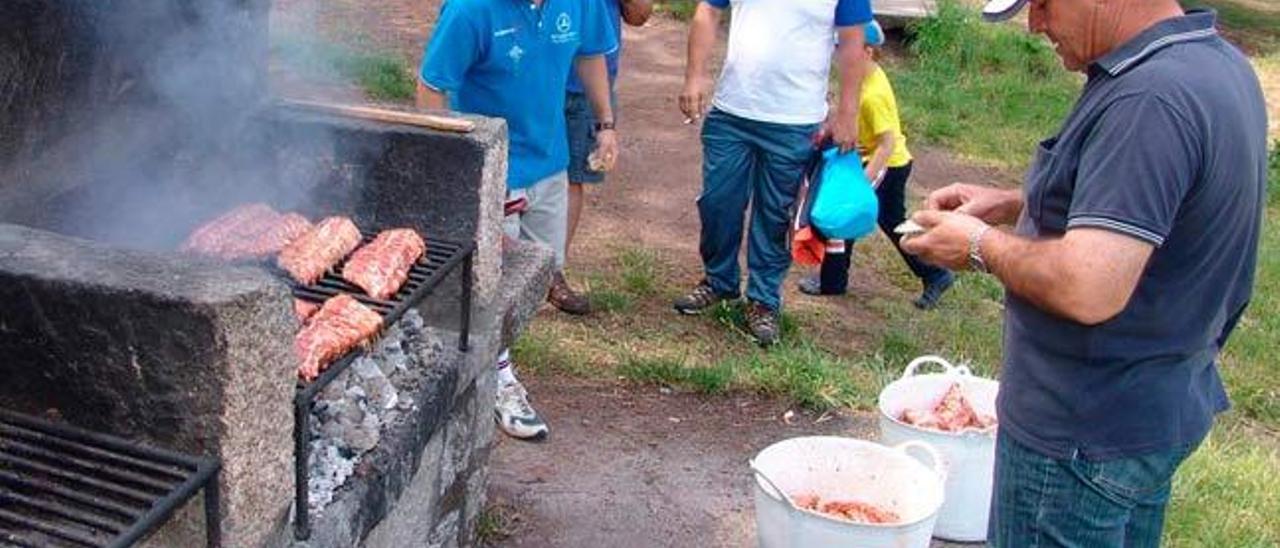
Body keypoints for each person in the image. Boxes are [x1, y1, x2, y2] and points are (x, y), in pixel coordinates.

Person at [900, 0, 1267, 544]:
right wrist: (1015, 205)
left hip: (1080, 439)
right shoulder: (1214, 65)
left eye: (1044, 3)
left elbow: (1089, 286)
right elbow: (1152, 211)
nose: (1036, 23)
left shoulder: (1148, 99)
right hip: (1154, 415)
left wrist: (979, 245)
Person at [417, 0, 620, 441]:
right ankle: (496, 381)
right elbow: (432, 87)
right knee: (490, 285)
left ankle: (493, 360)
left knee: (539, 270)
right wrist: (453, 169)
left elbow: (590, 53)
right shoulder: (470, 11)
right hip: (493, 168)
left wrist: (605, 123)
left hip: (550, 163)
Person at [675, 0, 874, 346]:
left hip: (796, 121)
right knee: (717, 202)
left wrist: (848, 111)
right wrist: (694, 76)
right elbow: (708, 11)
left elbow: (853, 41)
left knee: (776, 215)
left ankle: (764, 300)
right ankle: (719, 281)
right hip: (731, 112)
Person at [795, 20, 954, 309]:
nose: (839, 55)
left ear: (867, 51)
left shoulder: (874, 94)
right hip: (870, 160)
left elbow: (887, 142)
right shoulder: (858, 77)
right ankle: (834, 280)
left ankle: (935, 273)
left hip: (886, 165)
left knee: (855, 217)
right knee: (856, 220)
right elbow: (847, 111)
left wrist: (863, 181)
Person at [553, 0, 654, 315]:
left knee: (573, 180)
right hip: (536, 74)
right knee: (516, 174)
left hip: (590, 82)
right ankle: (501, 269)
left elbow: (639, 15)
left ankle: (551, 273)